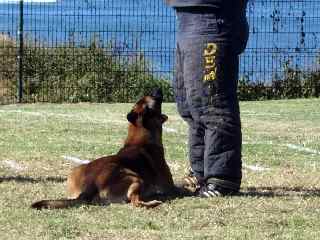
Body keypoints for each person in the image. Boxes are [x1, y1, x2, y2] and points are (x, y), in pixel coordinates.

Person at [166, 0, 249, 197]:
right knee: (189, 105)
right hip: (189, 18)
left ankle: (222, 179)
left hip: (212, 18)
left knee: (211, 103)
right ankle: (200, 173)